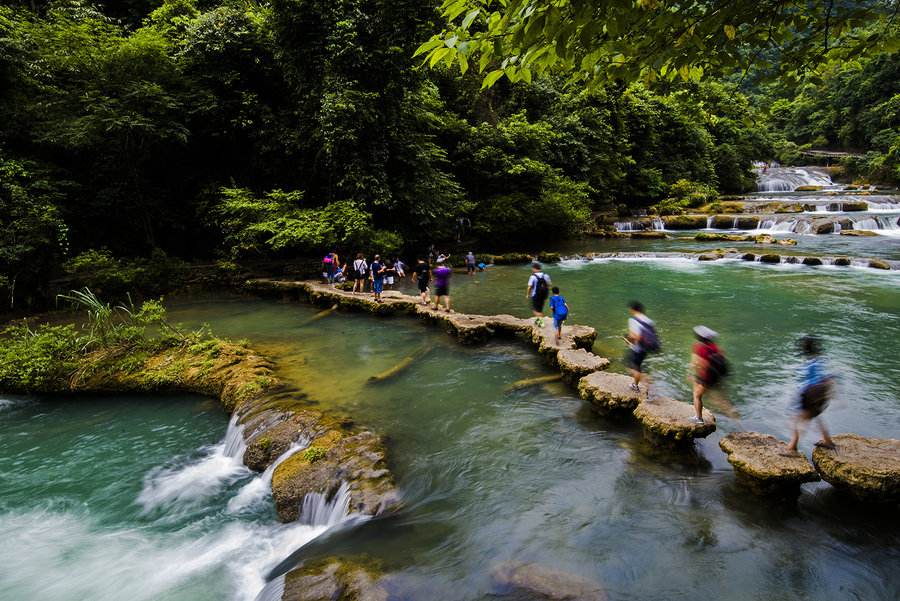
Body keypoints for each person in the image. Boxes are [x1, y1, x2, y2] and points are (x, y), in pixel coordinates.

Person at [787, 335, 836, 452]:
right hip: (821, 394)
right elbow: (825, 377)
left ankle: (793, 446)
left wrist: (797, 402)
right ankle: (828, 441)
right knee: (816, 416)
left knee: (794, 419)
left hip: (810, 394)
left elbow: (807, 383)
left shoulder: (809, 364)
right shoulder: (820, 360)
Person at [690, 326, 728, 424]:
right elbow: (722, 355)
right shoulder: (713, 346)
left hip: (705, 377)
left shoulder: (700, 348)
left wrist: (696, 376)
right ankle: (702, 414)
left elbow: (701, 364)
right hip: (714, 377)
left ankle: (699, 418)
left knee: (696, 395)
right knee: (704, 394)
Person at [624, 301, 658, 393]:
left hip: (637, 348)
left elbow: (635, 336)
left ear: (632, 309)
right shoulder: (648, 320)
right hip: (646, 347)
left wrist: (628, 340)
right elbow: (653, 333)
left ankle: (636, 385)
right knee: (637, 365)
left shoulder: (633, 320)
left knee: (633, 367)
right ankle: (641, 380)